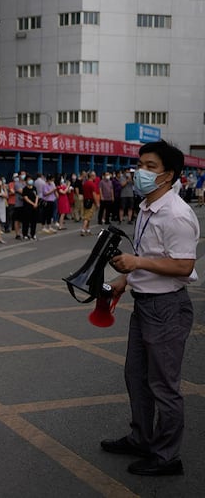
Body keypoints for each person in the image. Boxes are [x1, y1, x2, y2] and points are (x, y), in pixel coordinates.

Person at [102, 140, 198, 477]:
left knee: (164, 386)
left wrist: (136, 263)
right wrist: (124, 279)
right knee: (136, 377)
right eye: (140, 164)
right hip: (145, 306)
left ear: (168, 175)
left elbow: (184, 266)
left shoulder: (176, 215)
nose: (140, 171)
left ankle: (167, 456)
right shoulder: (147, 207)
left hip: (167, 308)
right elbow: (147, 254)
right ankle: (141, 438)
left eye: (150, 167)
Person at [20, 175, 39, 240]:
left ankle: (33, 234)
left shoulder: (34, 188)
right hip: (27, 207)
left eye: (31, 179)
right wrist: (33, 204)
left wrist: (36, 203)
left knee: (34, 221)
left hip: (34, 207)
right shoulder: (25, 189)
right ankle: (25, 234)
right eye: (28, 179)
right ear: (26, 181)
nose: (30, 181)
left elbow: (37, 196)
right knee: (26, 221)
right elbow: (26, 198)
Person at [81, 171, 97, 236]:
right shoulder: (92, 184)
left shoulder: (85, 183)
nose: (95, 177)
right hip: (90, 201)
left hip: (85, 201)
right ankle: (83, 230)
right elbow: (94, 194)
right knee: (87, 217)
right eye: (95, 175)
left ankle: (88, 230)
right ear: (92, 176)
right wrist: (97, 203)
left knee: (87, 216)